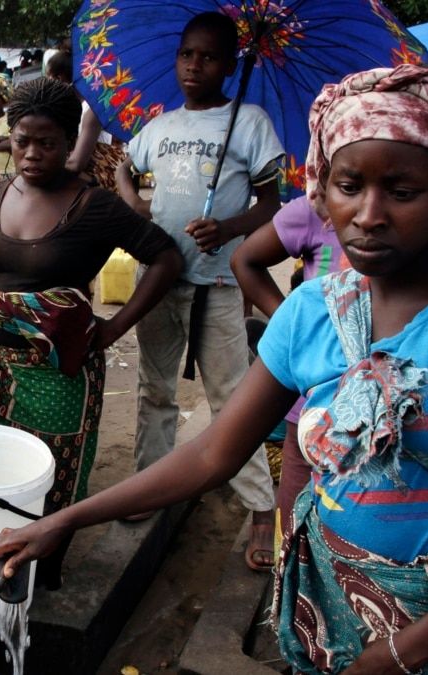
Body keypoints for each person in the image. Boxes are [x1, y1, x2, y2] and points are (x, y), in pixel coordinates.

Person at [0, 64, 428, 675]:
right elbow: (214, 453)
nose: (368, 214)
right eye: (348, 185)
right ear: (322, 188)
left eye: (402, 193)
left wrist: (402, 652)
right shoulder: (314, 309)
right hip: (321, 598)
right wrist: (66, 518)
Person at [0, 78, 184, 590]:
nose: (30, 153)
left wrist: (114, 327)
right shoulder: (0, 191)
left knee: (51, 481)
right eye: (22, 140)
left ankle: (44, 581)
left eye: (46, 142)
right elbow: (3, 278)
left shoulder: (95, 205)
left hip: (59, 374)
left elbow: (166, 257)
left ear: (70, 141)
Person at [116, 12, 283, 566]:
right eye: (187, 54)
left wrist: (229, 229)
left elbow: (269, 204)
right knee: (154, 388)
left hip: (217, 283)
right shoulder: (160, 127)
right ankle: (150, 484)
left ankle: (263, 509)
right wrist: (136, 204)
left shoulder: (250, 122)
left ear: (230, 65)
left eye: (208, 56)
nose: (194, 65)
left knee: (233, 396)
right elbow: (123, 166)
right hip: (158, 278)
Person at [231, 195, 349, 557]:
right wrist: (292, 324)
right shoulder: (313, 213)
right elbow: (245, 259)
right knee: (295, 536)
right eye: (349, 186)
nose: (369, 214)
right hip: (309, 412)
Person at [47, 51, 124, 192]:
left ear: (60, 78)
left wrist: (42, 171)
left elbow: (76, 165)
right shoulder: (63, 109)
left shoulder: (92, 109)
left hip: (97, 183)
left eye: (48, 78)